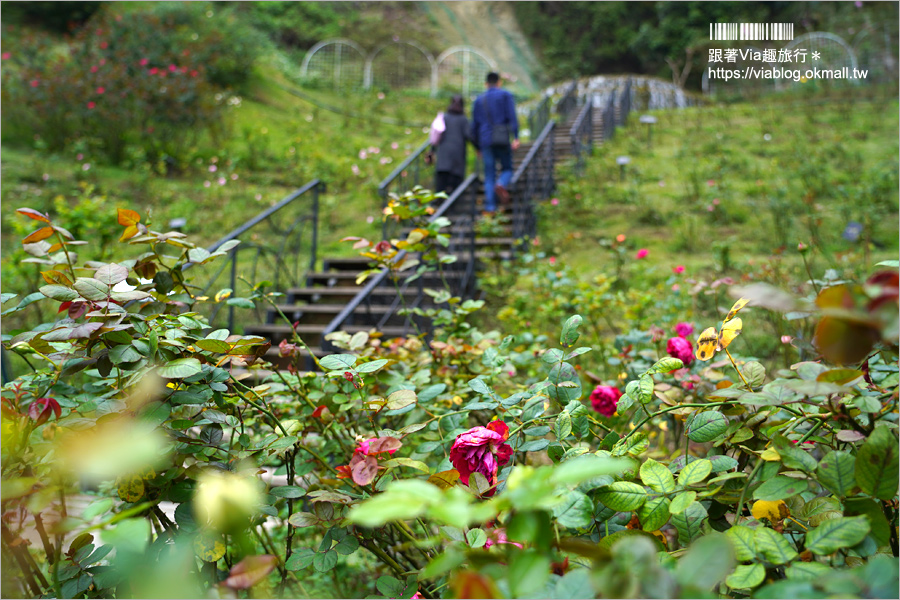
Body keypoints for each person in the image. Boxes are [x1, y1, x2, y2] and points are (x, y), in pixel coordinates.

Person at [471, 72, 520, 214]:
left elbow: (474, 126)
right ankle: (502, 183)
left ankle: (490, 207)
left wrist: (477, 146)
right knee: (507, 168)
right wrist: (515, 137)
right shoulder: (506, 95)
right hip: (502, 138)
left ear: (486, 84)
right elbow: (512, 117)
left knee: (489, 175)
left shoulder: (479, 100)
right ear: (499, 82)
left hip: (485, 140)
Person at [430, 95, 472, 196]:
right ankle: (452, 209)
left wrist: (432, 150)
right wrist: (479, 148)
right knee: (455, 188)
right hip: (457, 159)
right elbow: (469, 135)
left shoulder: (444, 117)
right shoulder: (463, 120)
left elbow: (436, 135)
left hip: (443, 158)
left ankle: (438, 207)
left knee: (440, 188)